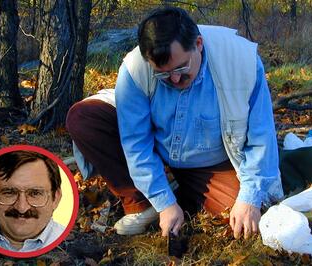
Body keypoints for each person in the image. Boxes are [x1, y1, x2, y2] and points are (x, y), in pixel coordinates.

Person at [66, 7, 283, 239]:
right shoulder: (135, 69)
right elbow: (136, 143)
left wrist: (249, 198)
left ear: (198, 44)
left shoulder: (242, 62)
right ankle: (142, 202)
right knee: (83, 118)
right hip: (158, 148)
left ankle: (182, 191)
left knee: (243, 214)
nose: (175, 79)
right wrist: (164, 203)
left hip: (213, 162)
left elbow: (261, 137)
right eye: (163, 74)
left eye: (181, 68)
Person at [0, 151, 65, 252]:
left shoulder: (70, 242)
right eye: (9, 192)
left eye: (35, 193)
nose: (22, 208)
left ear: (56, 198)